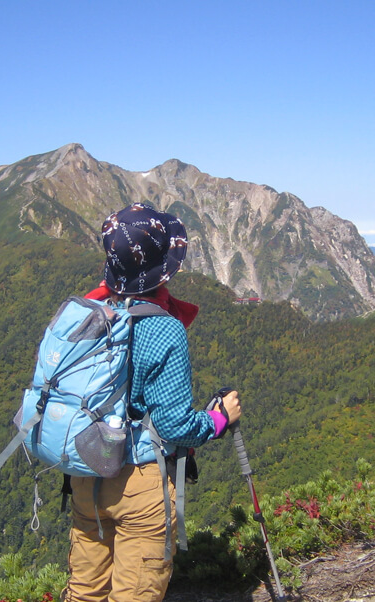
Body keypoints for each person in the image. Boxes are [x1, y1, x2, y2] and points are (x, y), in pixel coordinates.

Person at [62, 202, 242, 602]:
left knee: (83, 593)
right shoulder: (163, 329)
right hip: (137, 485)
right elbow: (175, 425)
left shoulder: (90, 313)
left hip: (85, 473)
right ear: (165, 267)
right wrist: (218, 419)